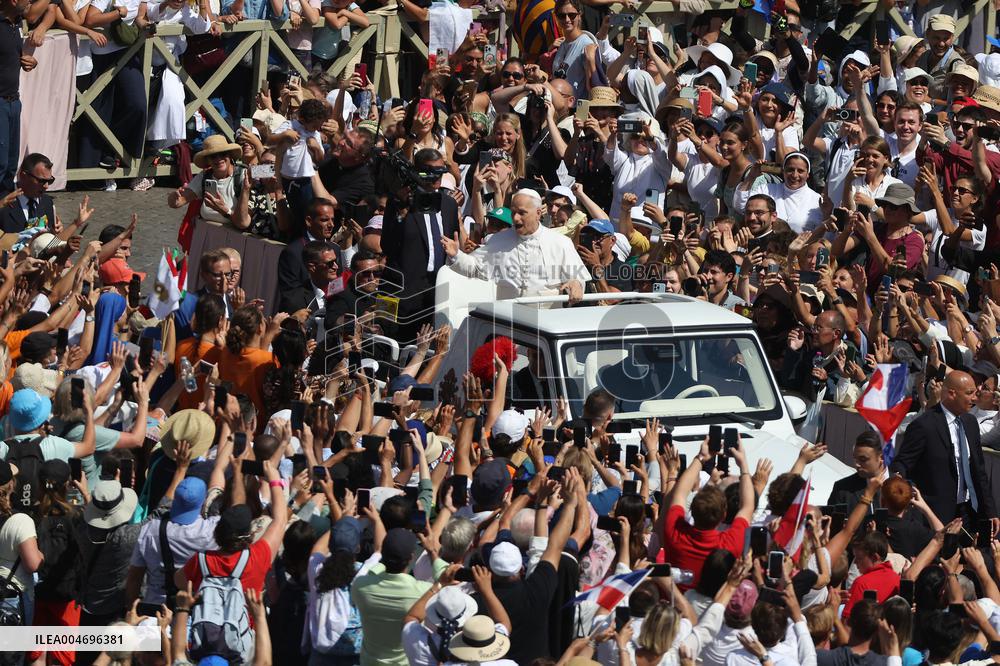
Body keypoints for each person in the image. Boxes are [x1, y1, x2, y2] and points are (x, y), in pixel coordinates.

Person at [441, 189, 589, 302]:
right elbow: (474, 267)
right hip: (509, 321)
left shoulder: (560, 243)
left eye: (522, 213)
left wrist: (576, 283)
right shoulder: (497, 240)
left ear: (538, 213)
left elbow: (576, 276)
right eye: (513, 213)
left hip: (545, 322)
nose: (516, 218)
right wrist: (457, 255)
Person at [892, 370, 997, 526]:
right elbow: (902, 464)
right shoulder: (924, 425)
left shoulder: (971, 423)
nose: (974, 398)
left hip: (968, 513)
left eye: (975, 392)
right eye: (969, 393)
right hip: (934, 516)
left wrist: (990, 513)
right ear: (951, 394)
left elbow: (979, 471)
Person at [828, 431, 887, 509]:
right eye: (855, 459)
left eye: (863, 459)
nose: (857, 465)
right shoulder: (842, 489)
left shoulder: (901, 485)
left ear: (881, 458)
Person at [0, 153, 55, 233]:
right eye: (41, 181)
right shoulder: (3, 202)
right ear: (23, 176)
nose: (46, 186)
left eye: (50, 181)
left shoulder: (47, 202)